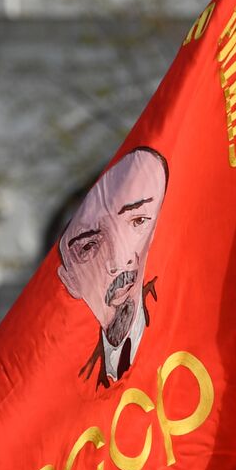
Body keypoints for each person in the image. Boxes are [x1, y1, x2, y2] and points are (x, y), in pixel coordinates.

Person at [57, 145, 166, 386]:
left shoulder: (191, 330)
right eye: (88, 247)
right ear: (69, 280)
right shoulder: (68, 383)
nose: (118, 261)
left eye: (138, 221)